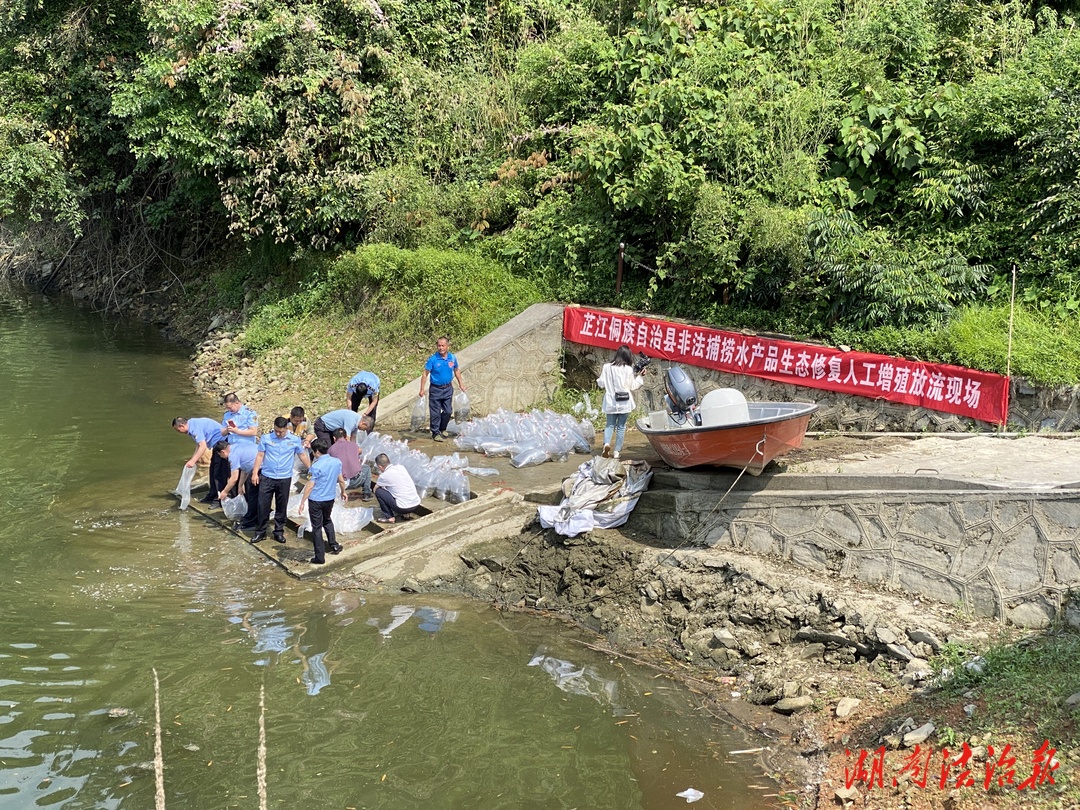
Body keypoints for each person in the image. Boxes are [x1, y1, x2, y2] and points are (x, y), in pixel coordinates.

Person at [250, 416, 311, 544]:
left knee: (281, 506)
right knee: (262, 505)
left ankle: (278, 531)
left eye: (281, 431)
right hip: (267, 476)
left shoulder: (294, 440)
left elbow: (302, 455)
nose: (278, 433)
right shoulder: (266, 438)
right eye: (276, 431)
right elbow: (260, 455)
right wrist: (255, 473)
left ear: (286, 429)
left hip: (284, 478)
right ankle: (260, 531)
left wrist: (311, 469)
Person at [298, 438, 347, 565]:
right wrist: (343, 491)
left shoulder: (315, 467)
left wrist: (303, 501)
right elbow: (341, 480)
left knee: (317, 528)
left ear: (316, 452)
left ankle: (319, 557)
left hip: (316, 500)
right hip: (329, 498)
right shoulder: (337, 462)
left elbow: (310, 486)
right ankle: (334, 544)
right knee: (327, 520)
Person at [597, 344, 646, 460]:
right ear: (628, 357)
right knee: (621, 427)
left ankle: (606, 445)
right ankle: (617, 452)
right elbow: (632, 386)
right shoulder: (628, 369)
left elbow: (601, 383)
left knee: (609, 425)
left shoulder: (606, 367)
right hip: (624, 402)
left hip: (610, 401)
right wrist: (640, 376)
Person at [172, 416, 229, 505]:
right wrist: (192, 460)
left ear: (182, 426)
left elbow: (203, 446)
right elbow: (198, 445)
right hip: (216, 445)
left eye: (178, 430)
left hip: (222, 444)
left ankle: (219, 500)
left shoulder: (194, 428)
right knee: (212, 471)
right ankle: (212, 495)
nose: (179, 432)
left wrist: (193, 461)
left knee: (218, 474)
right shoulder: (192, 425)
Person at [419, 336, 466, 442]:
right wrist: (422, 389)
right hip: (435, 389)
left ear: (447, 346)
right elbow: (425, 374)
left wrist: (461, 384)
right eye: (439, 345)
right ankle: (435, 433)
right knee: (435, 413)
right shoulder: (433, 359)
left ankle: (442, 428)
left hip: (448, 388)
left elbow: (457, 371)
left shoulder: (452, 358)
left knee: (448, 411)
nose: (440, 348)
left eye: (443, 345)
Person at [213, 439, 259, 527]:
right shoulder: (236, 446)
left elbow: (234, 478)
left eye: (220, 455)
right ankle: (252, 517)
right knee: (252, 495)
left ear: (223, 452)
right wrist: (240, 486)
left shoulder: (232, 456)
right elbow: (244, 468)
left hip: (260, 468)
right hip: (257, 465)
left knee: (253, 496)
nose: (222, 458)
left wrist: (225, 491)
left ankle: (252, 521)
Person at [372, 453, 421, 524]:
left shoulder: (384, 476)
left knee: (379, 492)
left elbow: (375, 489)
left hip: (403, 508)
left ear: (380, 467)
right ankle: (406, 514)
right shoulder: (401, 467)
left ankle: (390, 517)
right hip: (415, 504)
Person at [328, 423, 373, 500]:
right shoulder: (354, 445)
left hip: (340, 483)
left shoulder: (331, 450)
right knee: (367, 468)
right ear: (346, 437)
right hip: (356, 480)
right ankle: (367, 493)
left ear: (334, 438)